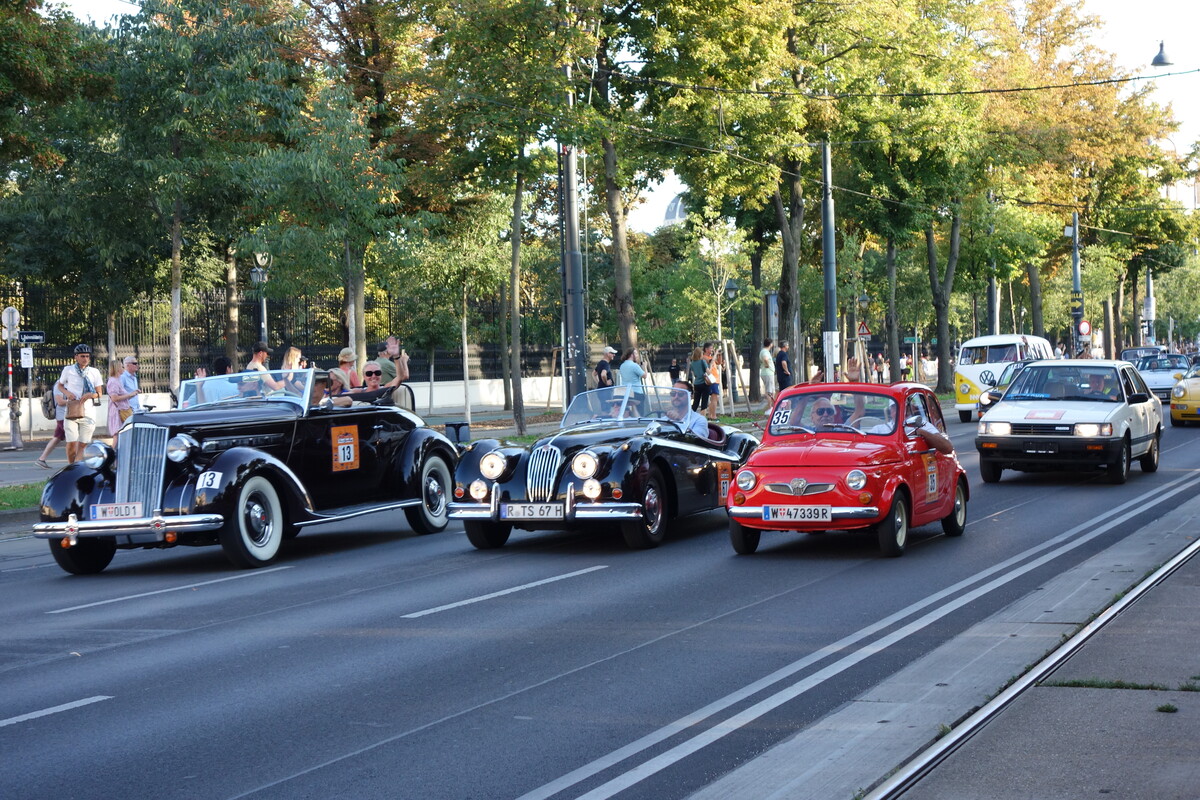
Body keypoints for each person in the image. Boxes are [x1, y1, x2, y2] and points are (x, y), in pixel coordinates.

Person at [56, 343, 103, 464]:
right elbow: (60, 386)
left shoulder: (94, 372)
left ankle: (75, 468)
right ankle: (71, 466)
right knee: (71, 443)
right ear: (76, 357)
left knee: (82, 445)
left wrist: (90, 395)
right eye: (82, 356)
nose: (85, 359)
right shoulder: (68, 370)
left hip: (88, 412)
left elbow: (99, 393)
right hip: (72, 410)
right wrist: (67, 393)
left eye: (87, 356)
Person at [35, 384, 67, 469]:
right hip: (63, 416)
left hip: (65, 415)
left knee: (57, 438)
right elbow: (60, 401)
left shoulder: (68, 384)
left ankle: (41, 459)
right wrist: (74, 401)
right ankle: (75, 461)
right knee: (73, 438)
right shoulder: (59, 385)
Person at [106, 360, 136, 447]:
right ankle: (113, 455)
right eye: (122, 367)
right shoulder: (113, 382)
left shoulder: (117, 380)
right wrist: (129, 395)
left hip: (121, 410)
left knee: (120, 434)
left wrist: (131, 394)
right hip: (118, 412)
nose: (123, 368)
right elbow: (114, 398)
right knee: (117, 435)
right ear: (117, 368)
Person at [688, 345, 709, 412]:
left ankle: (690, 416)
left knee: (695, 403)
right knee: (704, 403)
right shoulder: (703, 361)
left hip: (697, 384)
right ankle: (703, 418)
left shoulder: (692, 363)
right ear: (700, 354)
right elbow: (708, 372)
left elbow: (694, 374)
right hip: (704, 383)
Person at [759, 339, 777, 407]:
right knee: (769, 391)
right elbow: (765, 359)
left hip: (768, 373)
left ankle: (771, 406)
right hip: (768, 373)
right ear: (770, 344)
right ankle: (770, 407)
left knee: (771, 391)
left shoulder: (765, 351)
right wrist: (767, 365)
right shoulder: (765, 352)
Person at [707, 350, 723, 421]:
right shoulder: (706, 358)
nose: (712, 351)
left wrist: (720, 355)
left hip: (715, 380)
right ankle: (713, 416)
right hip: (712, 380)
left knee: (714, 399)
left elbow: (719, 362)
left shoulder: (711, 358)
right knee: (714, 399)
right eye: (711, 349)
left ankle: (710, 415)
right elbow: (712, 361)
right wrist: (716, 352)